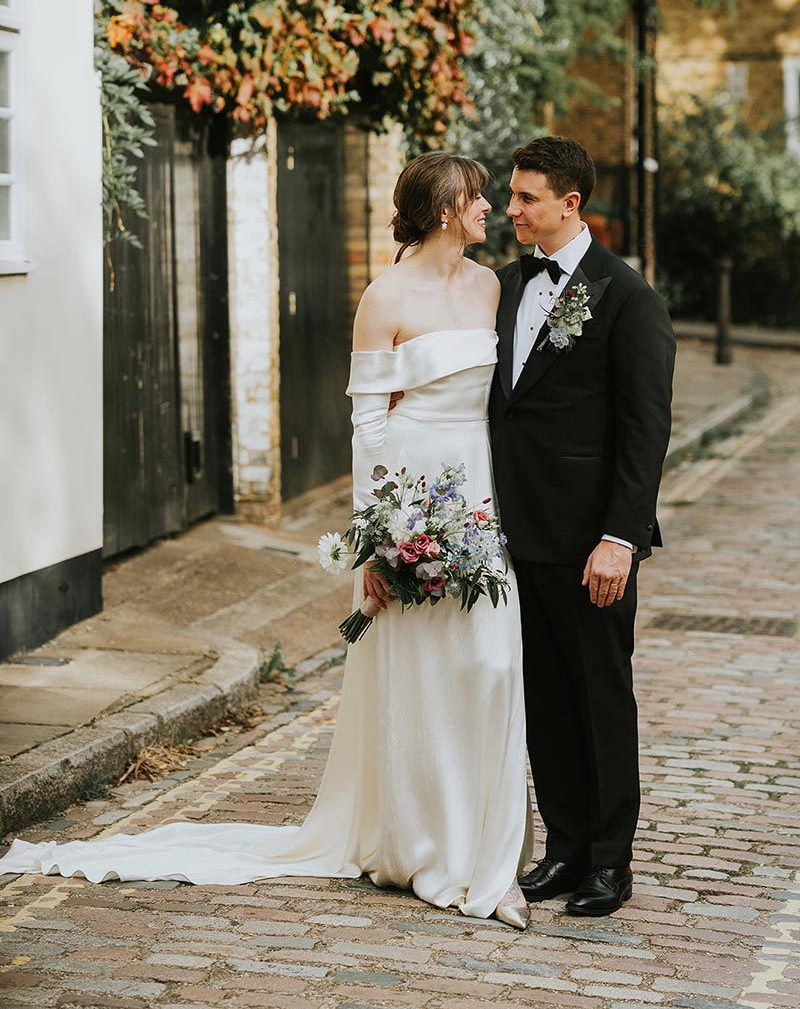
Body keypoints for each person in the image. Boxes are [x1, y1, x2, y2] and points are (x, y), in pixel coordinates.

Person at [0, 153, 533, 930]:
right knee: (420, 675)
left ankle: (486, 850)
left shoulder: (489, 287)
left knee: (487, 663)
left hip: (476, 494)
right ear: (445, 209)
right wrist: (379, 541)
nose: (488, 208)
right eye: (478, 197)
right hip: (409, 496)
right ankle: (424, 847)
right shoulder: (385, 296)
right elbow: (369, 423)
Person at [490, 135, 675, 916]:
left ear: (571, 203)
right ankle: (563, 848)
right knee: (545, 700)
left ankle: (609, 860)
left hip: (590, 544)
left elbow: (645, 429)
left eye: (527, 198)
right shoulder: (499, 288)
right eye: (511, 195)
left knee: (601, 697)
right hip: (513, 536)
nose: (512, 210)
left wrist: (620, 539)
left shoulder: (628, 298)